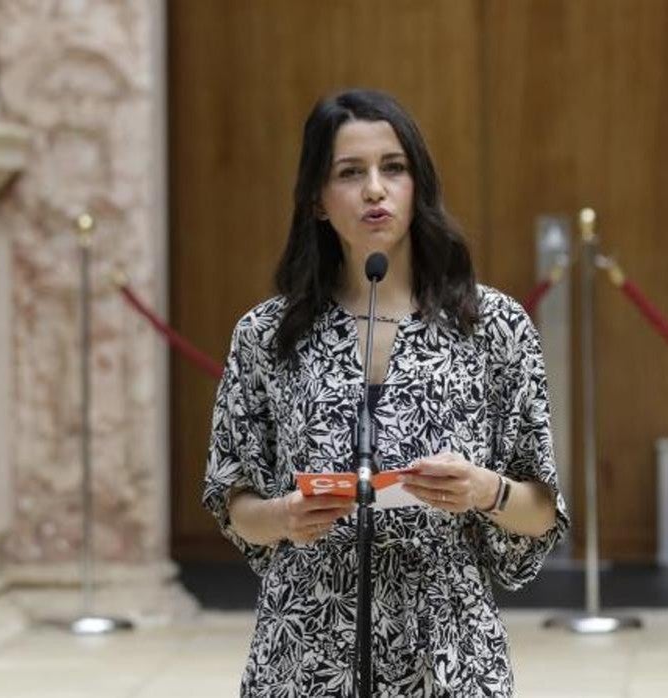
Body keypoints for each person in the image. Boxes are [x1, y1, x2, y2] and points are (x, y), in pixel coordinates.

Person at [203, 89, 568, 697]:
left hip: (449, 651)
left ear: (416, 186)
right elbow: (232, 496)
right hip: (306, 647)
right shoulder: (266, 336)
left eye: (393, 168)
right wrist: (285, 517)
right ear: (318, 201)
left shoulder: (494, 327)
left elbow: (541, 510)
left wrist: (484, 489)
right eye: (350, 173)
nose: (375, 189)